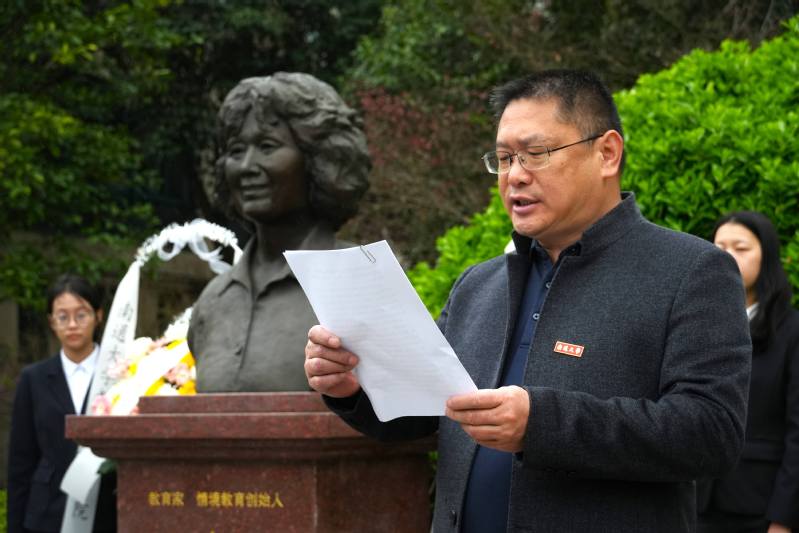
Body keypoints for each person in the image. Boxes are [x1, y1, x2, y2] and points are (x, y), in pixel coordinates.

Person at [303, 69, 752, 532]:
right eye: (503, 159)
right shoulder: (478, 285)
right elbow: (423, 415)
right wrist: (352, 387)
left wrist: (540, 424)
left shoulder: (689, 272)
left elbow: (712, 432)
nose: (515, 176)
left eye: (536, 154)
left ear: (607, 153)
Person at [188, 72, 370, 392]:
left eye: (267, 146)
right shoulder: (213, 300)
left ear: (318, 159)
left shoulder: (362, 280)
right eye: (236, 150)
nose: (247, 166)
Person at [697, 211, 799, 533]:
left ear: (766, 257)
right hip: (694, 503)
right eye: (719, 248)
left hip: (759, 507)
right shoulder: (697, 324)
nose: (727, 257)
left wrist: (784, 519)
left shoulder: (792, 331)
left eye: (740, 248)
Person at [7, 274, 116, 533]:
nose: (72, 325)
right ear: (51, 322)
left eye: (81, 315)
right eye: (63, 316)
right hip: (48, 513)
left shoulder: (119, 374)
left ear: (98, 316)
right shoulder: (33, 379)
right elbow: (21, 462)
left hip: (107, 511)